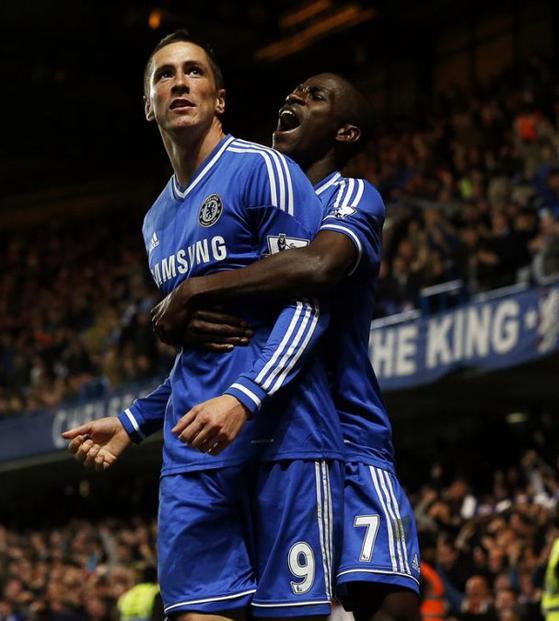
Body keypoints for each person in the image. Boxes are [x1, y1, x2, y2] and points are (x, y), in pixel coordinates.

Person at [64, 32, 342, 620]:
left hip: (283, 439)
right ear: (149, 105)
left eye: (193, 71)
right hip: (193, 453)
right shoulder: (155, 222)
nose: (179, 83)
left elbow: (309, 304)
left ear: (219, 98)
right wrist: (134, 420)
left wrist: (244, 397)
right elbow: (204, 347)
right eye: (164, 75)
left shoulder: (263, 169)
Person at [149, 74, 421, 621]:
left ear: (345, 133)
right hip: (278, 431)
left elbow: (318, 266)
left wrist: (194, 290)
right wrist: (139, 414)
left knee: (386, 604)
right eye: (294, 91)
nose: (294, 97)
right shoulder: (256, 214)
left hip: (348, 429)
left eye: (315, 96)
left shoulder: (348, 194)